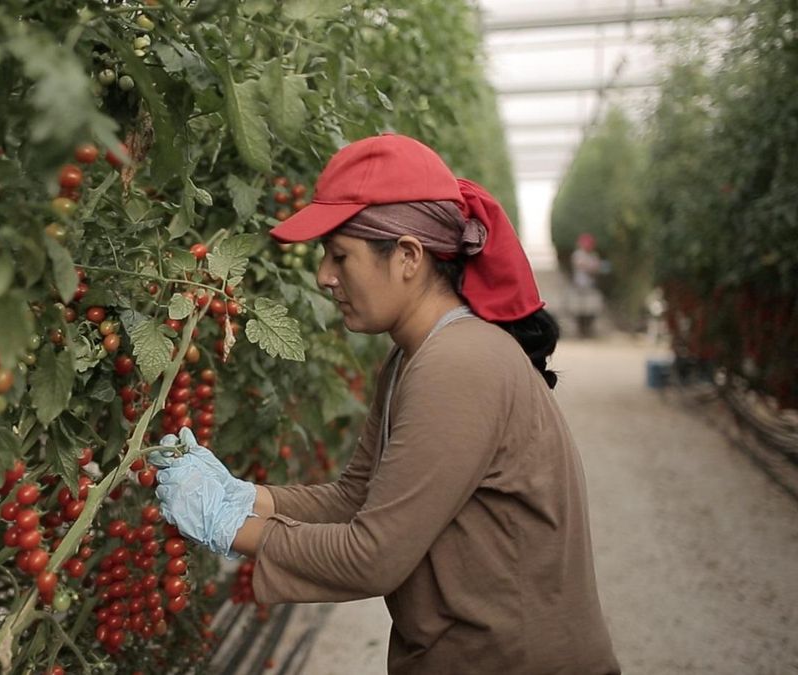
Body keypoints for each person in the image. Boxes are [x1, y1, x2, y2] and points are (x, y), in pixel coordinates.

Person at [150, 134, 620, 674]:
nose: (325, 275)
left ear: (407, 257)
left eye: (340, 255)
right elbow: (358, 497)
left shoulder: (459, 365)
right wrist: (246, 496)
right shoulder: (410, 358)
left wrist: (229, 524)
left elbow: (374, 556)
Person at [569, 233, 604, 338]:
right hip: (579, 287)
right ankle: (580, 332)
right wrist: (591, 266)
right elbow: (584, 265)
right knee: (578, 310)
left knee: (591, 310)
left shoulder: (593, 255)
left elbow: (596, 268)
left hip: (590, 287)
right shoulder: (577, 254)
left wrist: (592, 266)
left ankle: (588, 331)